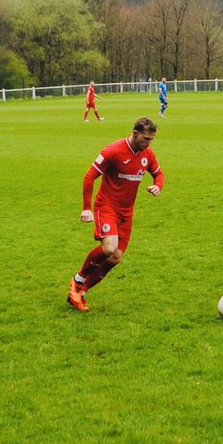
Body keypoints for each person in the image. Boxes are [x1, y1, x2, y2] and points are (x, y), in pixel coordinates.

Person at [67, 117, 165, 312]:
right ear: (135, 133)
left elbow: (159, 174)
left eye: (151, 140)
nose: (148, 143)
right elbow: (89, 176)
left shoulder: (148, 154)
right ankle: (77, 281)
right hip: (107, 207)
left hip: (126, 212)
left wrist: (158, 186)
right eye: (146, 139)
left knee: (115, 258)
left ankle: (81, 293)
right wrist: (87, 208)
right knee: (109, 248)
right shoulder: (113, 151)